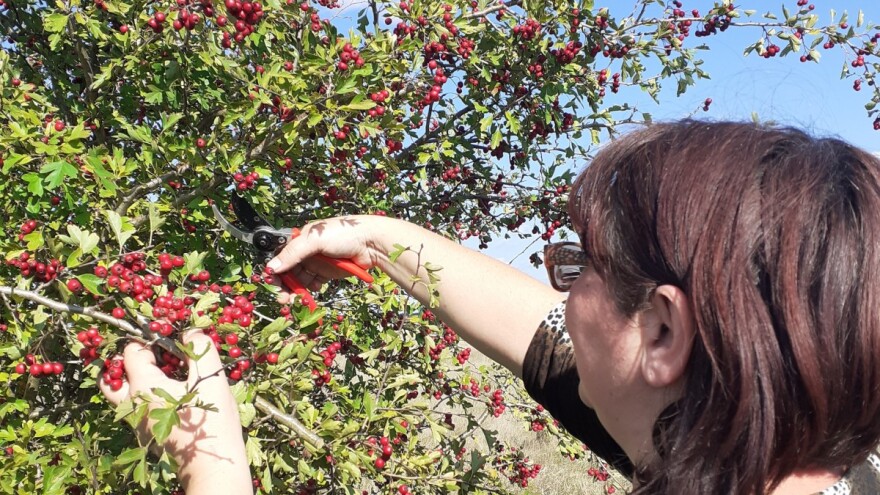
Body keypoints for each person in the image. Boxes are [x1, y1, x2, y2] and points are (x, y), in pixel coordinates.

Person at [99, 120, 880, 494]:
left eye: (579, 267)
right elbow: (546, 338)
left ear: (664, 331)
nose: (562, 296)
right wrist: (375, 238)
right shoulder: (747, 451)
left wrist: (211, 463)